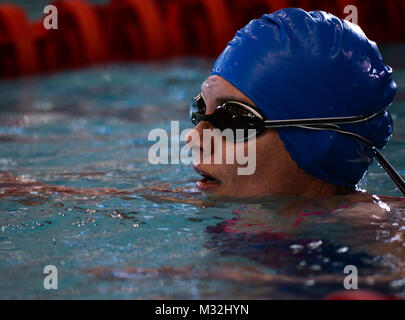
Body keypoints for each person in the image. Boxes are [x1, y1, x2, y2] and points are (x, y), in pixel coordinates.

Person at [186, 8, 403, 198]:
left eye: (232, 119)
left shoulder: (379, 237)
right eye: (200, 109)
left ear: (320, 143)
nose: (193, 139)